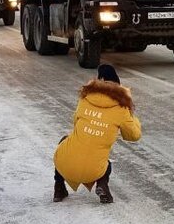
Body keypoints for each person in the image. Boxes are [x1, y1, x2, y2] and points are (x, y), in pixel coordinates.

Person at [53, 64, 141, 204]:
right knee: (105, 162)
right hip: (94, 170)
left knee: (64, 142)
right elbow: (134, 135)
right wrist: (131, 116)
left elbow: (75, 122)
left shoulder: (85, 99)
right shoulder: (122, 108)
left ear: (98, 80)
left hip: (65, 164)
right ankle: (102, 185)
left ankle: (59, 188)